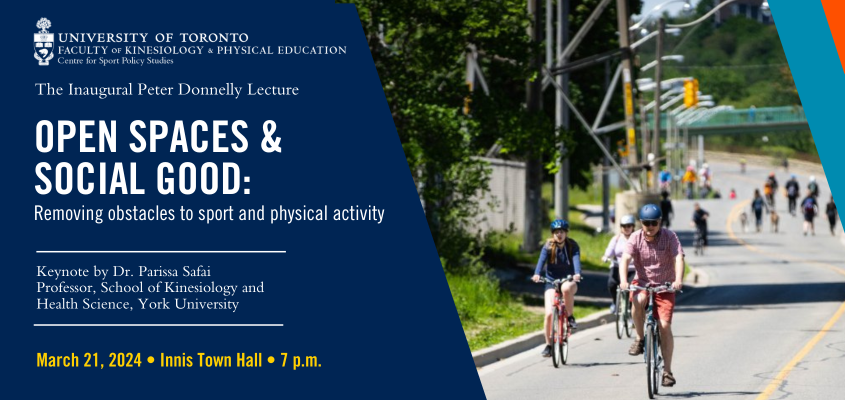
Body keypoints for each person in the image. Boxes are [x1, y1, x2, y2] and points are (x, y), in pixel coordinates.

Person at [619, 204, 685, 387]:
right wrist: (624, 280)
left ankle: (667, 372)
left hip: (665, 286)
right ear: (641, 223)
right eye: (646, 223)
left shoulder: (670, 236)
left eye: (654, 223)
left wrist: (678, 279)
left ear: (660, 222)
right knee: (638, 301)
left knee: (664, 326)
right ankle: (640, 338)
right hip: (643, 284)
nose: (650, 226)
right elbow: (625, 259)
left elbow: (678, 258)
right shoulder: (635, 237)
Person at [533, 219, 582, 357]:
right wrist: (536, 274)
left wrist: (577, 274)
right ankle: (548, 345)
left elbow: (576, 260)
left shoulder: (572, 245)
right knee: (549, 314)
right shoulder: (548, 246)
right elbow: (541, 261)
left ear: (566, 233)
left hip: (569, 280)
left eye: (561, 232)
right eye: (556, 232)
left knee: (566, 289)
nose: (559, 234)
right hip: (551, 282)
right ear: (552, 234)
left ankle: (570, 318)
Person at [602, 215, 637, 314]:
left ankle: (630, 310)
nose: (626, 228)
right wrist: (606, 256)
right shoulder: (616, 239)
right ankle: (614, 302)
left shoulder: (636, 239)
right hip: (617, 266)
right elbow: (610, 250)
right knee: (612, 284)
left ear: (633, 227)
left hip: (632, 268)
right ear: (621, 227)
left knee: (632, 288)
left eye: (629, 226)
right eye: (624, 226)